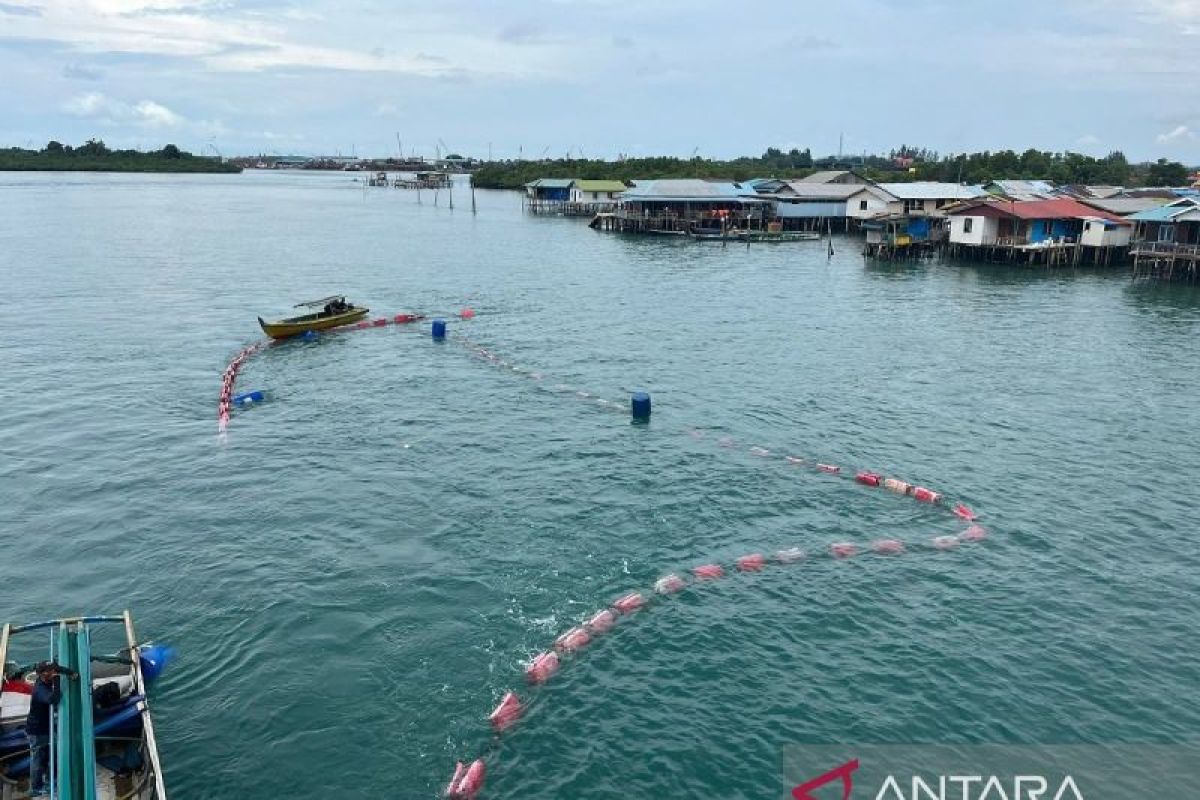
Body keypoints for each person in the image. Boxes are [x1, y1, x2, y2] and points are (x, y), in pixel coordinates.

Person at [26, 661, 78, 797]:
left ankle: (51, 779)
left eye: (53, 669)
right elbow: (54, 699)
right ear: (43, 674)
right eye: (50, 671)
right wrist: (57, 680)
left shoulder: (48, 673)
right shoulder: (39, 690)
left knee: (53, 751)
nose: (54, 672)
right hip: (37, 730)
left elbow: (59, 668)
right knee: (37, 759)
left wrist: (71, 673)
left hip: (46, 726)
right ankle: (36, 787)